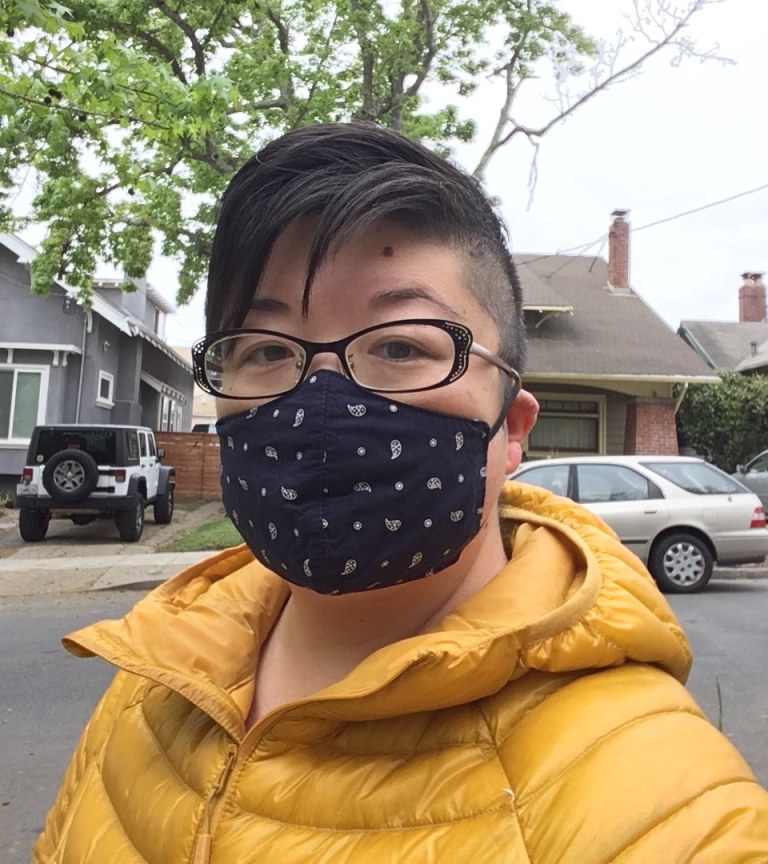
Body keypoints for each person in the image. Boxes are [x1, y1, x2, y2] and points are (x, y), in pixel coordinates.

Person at [35, 124, 768, 863]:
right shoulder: (155, 684)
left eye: (398, 345)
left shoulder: (667, 810)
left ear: (512, 430)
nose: (320, 398)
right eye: (267, 349)